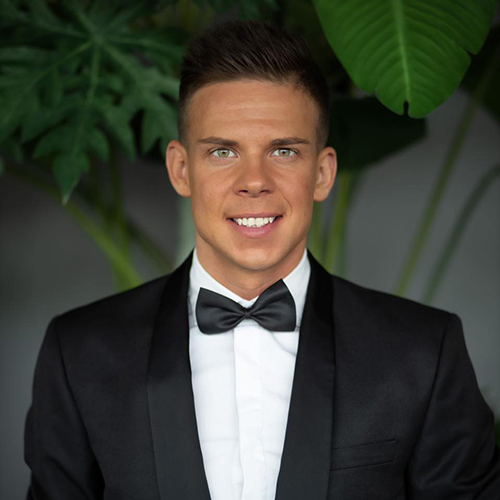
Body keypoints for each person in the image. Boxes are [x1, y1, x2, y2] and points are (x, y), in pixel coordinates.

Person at [24, 19, 500, 500]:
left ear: (322, 173)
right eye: (223, 152)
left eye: (284, 151)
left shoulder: (423, 352)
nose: (254, 181)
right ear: (181, 169)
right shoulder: (79, 353)